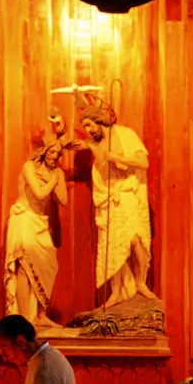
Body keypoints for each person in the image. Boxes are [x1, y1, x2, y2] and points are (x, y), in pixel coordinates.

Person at [77, 104, 155, 307]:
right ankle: (116, 292)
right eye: (85, 127)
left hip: (126, 195)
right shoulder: (94, 143)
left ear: (98, 120)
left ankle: (140, 283)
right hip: (109, 199)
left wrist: (117, 157)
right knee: (113, 246)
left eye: (89, 124)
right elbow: (69, 143)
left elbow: (143, 162)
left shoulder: (125, 134)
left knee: (136, 240)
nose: (89, 130)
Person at [4, 137, 68, 329]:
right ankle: (25, 319)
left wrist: (56, 178)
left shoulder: (56, 172)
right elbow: (40, 193)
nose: (54, 156)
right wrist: (53, 181)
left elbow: (63, 199)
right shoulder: (29, 167)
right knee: (24, 267)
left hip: (40, 223)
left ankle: (40, 315)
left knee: (49, 265)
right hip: (24, 218)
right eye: (51, 151)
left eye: (58, 153)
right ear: (43, 151)